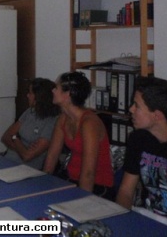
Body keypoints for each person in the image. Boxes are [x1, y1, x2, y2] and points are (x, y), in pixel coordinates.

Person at [116, 76, 167, 223]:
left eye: (137, 106)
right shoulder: (138, 139)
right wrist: (122, 220)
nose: (131, 109)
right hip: (147, 218)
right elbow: (126, 191)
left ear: (157, 115)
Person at [43, 71, 114, 199]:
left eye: (56, 88)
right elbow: (52, 156)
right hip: (72, 180)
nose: (53, 90)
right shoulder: (63, 118)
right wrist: (43, 185)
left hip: (96, 186)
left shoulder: (89, 123)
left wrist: (81, 203)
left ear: (67, 94)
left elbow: (88, 173)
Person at [1, 78, 60, 170]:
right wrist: (21, 147)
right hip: (8, 161)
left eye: (30, 93)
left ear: (39, 96)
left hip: (27, 169)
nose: (27, 96)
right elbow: (6, 137)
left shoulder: (52, 121)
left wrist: (15, 138)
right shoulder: (29, 112)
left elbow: (27, 156)